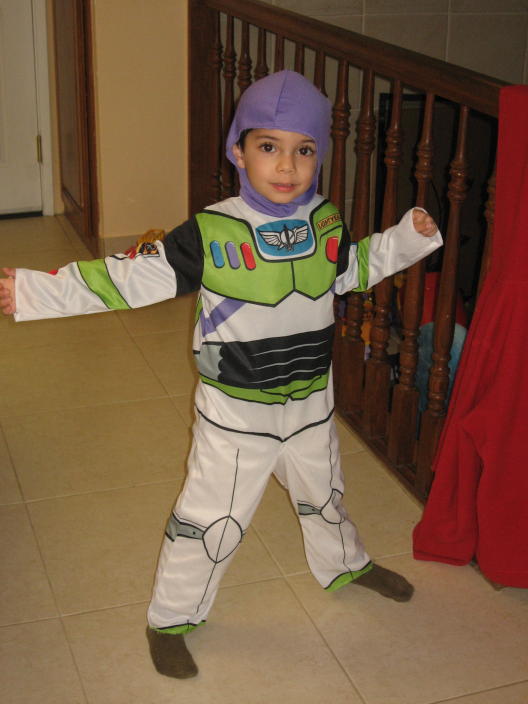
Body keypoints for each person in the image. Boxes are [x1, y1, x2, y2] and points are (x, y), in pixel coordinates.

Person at [0, 71, 441, 679]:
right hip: (236, 417)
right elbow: (126, 279)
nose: (286, 166)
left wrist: (405, 240)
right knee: (210, 521)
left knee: (325, 496)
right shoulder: (209, 232)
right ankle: (171, 618)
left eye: (304, 150)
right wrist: (32, 291)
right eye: (269, 146)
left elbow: (351, 271)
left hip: (311, 405)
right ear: (238, 150)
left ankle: (344, 566)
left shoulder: (325, 220)